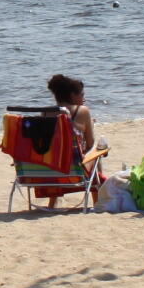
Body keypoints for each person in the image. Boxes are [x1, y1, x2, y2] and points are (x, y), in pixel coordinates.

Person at [44, 73, 107, 205]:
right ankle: (97, 203)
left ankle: (53, 202)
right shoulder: (82, 111)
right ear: (73, 95)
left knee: (56, 152)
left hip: (51, 168)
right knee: (97, 153)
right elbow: (90, 144)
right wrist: (90, 127)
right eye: (82, 94)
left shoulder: (46, 112)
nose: (84, 98)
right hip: (74, 169)